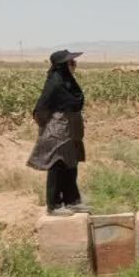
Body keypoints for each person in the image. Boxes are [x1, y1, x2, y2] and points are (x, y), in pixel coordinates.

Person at [28, 50, 91, 215]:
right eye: (71, 63)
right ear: (63, 66)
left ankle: (71, 200)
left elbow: (75, 103)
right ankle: (54, 205)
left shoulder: (67, 81)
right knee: (57, 164)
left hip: (70, 128)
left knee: (71, 163)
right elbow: (40, 108)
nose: (75, 65)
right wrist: (50, 127)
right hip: (58, 129)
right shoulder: (55, 83)